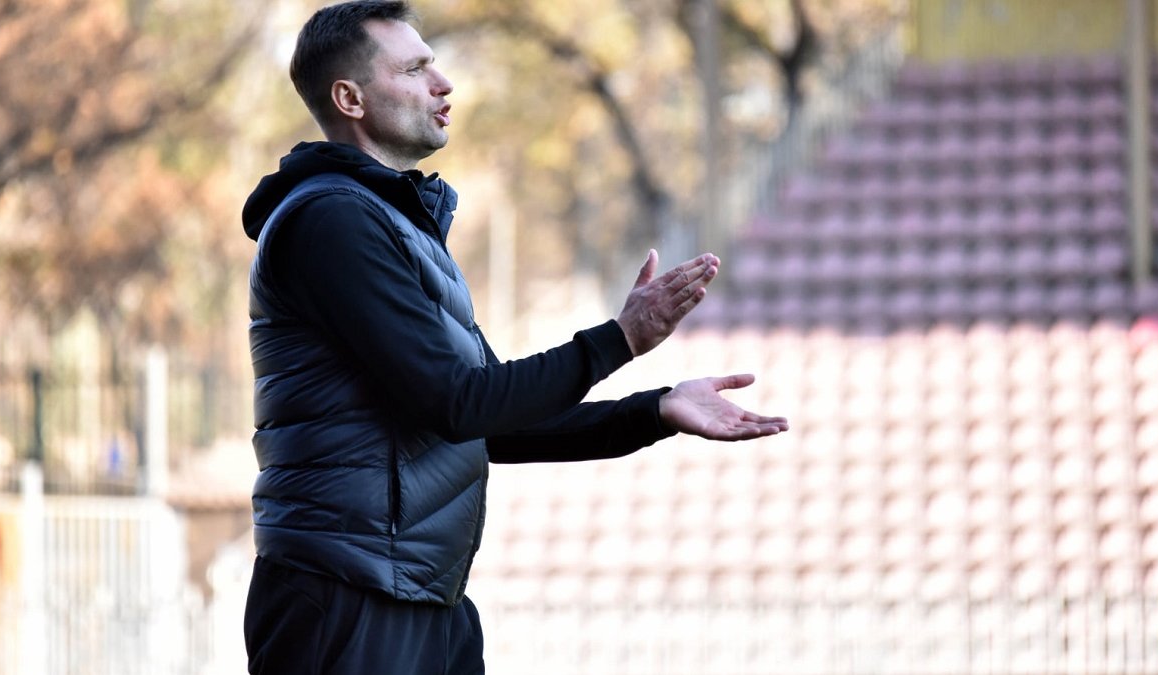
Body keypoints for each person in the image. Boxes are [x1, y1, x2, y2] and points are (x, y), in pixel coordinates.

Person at [240, 2, 789, 673]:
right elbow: (461, 403)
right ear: (349, 98)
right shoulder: (332, 222)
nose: (443, 84)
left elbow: (493, 422)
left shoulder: (390, 223)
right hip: (348, 593)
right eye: (414, 70)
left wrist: (655, 409)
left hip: (420, 593)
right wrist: (620, 338)